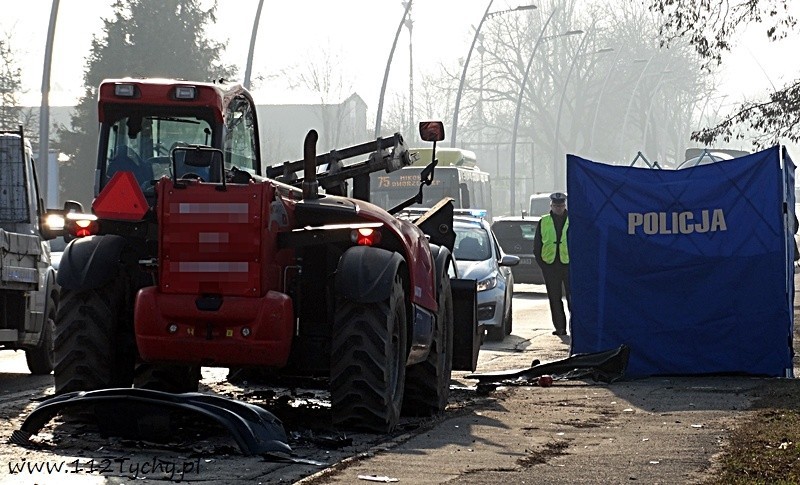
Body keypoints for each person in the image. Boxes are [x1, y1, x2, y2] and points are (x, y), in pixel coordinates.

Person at [533, 192, 571, 336]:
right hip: (550, 265)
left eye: (561, 205)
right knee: (554, 298)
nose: (558, 208)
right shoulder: (544, 221)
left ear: (564, 205)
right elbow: (537, 245)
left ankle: (575, 327)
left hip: (568, 265)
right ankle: (560, 328)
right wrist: (543, 265)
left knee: (572, 298)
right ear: (551, 206)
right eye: (555, 206)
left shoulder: (572, 220)